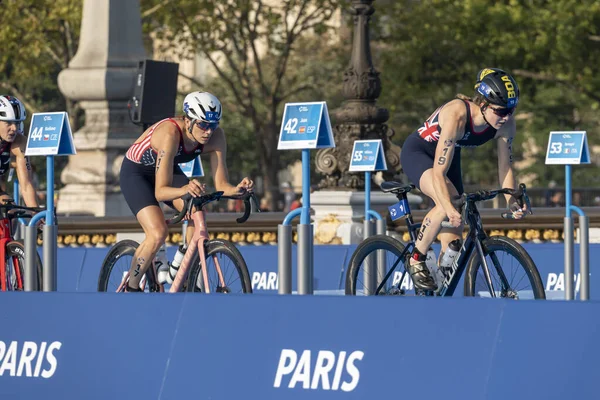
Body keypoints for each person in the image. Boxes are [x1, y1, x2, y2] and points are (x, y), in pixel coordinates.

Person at [400, 68, 527, 291]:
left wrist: (511, 199)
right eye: (501, 111)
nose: (506, 116)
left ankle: (438, 288)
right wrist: (448, 207)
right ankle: (416, 257)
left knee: (453, 245)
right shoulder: (457, 114)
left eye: (511, 110)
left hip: (450, 157)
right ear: (484, 104)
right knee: (447, 202)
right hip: (420, 153)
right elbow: (439, 174)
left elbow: (505, 168)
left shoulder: (506, 124)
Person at [119, 91, 254, 292]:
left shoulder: (217, 137)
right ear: (187, 120)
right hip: (136, 174)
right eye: (203, 125)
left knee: (196, 208)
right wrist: (184, 188)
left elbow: (221, 185)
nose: (208, 131)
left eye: (213, 124)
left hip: (167, 168)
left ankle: (180, 269)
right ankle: (131, 287)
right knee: (158, 232)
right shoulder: (170, 134)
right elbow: (161, 192)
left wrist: (237, 190)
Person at [0, 95, 40, 208]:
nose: (14, 128)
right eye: (8, 123)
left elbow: (26, 185)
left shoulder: (19, 142)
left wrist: (36, 214)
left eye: (17, 123)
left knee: (11, 210)